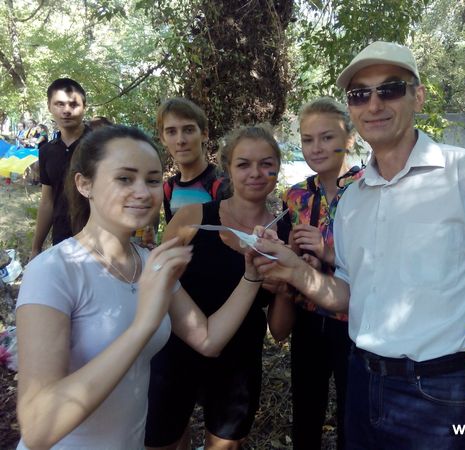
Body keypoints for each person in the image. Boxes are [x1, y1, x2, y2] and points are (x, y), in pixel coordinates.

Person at [253, 41, 465, 449]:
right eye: (360, 94)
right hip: (362, 383)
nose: (374, 104)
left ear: (418, 97)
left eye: (389, 89)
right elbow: (349, 294)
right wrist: (295, 269)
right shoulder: (353, 199)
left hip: (442, 392)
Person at [15, 125, 265, 450]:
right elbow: (38, 428)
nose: (143, 192)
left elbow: (207, 339)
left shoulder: (148, 262)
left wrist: (252, 275)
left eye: (152, 180)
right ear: (84, 184)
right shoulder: (53, 271)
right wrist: (143, 325)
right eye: (124, 178)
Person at [145, 125, 293, 450]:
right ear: (228, 168)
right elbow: (157, 286)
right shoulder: (193, 218)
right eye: (243, 164)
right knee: (163, 442)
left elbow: (280, 331)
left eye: (266, 164)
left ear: (277, 168)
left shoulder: (284, 234)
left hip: (239, 364)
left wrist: (284, 288)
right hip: (176, 353)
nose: (255, 173)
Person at [282, 97, 363, 450]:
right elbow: (292, 254)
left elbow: (381, 261)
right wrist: (292, 253)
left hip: (355, 320)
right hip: (308, 316)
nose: (316, 148)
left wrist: (327, 251)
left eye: (327, 137)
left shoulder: (370, 188)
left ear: (349, 138)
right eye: (307, 139)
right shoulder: (296, 196)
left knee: (353, 410)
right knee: (305, 408)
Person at [31, 78, 90, 258]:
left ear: (84, 107)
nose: (66, 110)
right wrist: (36, 248)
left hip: (99, 240)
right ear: (49, 107)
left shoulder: (101, 145)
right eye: (59, 104)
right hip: (62, 240)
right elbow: (47, 201)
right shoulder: (47, 151)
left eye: (74, 104)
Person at [157, 98, 229, 224]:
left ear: (204, 134)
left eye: (189, 130)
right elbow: (172, 234)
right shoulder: (169, 188)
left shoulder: (222, 184)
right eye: (171, 132)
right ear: (163, 139)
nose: (180, 140)